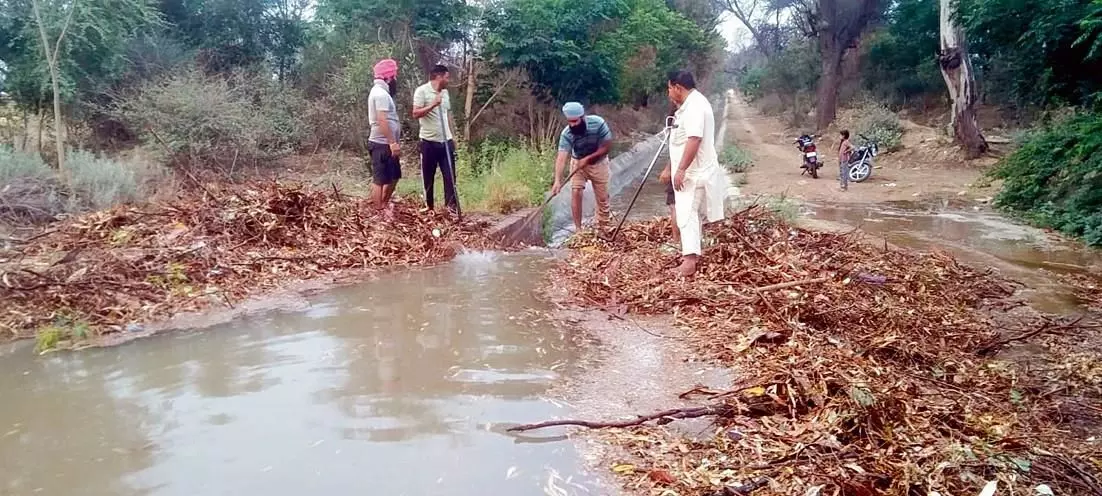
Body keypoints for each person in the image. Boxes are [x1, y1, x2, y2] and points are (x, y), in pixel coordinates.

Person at [667, 70, 729, 277]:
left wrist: (681, 169)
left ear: (677, 87)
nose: (668, 93)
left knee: (686, 215)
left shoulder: (694, 107)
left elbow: (694, 139)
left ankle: (689, 261)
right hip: (697, 171)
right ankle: (692, 254)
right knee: (693, 214)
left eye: (669, 88)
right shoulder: (693, 104)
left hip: (694, 173)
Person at [551, 102, 613, 232]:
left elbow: (606, 147)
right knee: (576, 191)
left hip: (599, 163)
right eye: (570, 122)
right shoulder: (566, 134)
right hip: (577, 163)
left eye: (575, 121)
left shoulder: (598, 123)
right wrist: (557, 180)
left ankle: (603, 227)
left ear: (582, 117)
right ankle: (578, 230)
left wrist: (589, 158)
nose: (572, 124)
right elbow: (561, 158)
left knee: (602, 199)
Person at [412, 64, 458, 214]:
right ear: (438, 76)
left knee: (450, 176)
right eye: (446, 77)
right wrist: (432, 104)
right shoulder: (422, 91)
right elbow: (415, 113)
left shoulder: (445, 93)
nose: (448, 80)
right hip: (428, 142)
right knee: (428, 176)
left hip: (446, 142)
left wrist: (454, 136)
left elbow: (448, 115)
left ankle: (451, 208)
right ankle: (429, 207)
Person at [367, 58, 402, 217]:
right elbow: (382, 119)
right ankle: (378, 211)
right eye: (394, 77)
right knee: (380, 179)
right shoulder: (380, 94)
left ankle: (383, 205)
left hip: (387, 143)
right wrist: (392, 142)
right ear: (388, 77)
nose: (395, 80)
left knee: (394, 176)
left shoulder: (383, 93)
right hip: (381, 143)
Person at [658, 104, 680, 245]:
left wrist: (668, 169)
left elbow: (679, 151)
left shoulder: (680, 120)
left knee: (674, 205)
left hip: (680, 170)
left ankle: (677, 241)